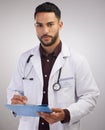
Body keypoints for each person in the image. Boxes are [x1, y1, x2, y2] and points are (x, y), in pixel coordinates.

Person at [7, 2, 100, 130]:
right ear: (35, 26)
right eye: (40, 25)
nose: (45, 31)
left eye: (50, 24)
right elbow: (13, 90)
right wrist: (15, 101)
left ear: (60, 25)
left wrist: (66, 114)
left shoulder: (77, 60)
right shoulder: (25, 59)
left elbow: (90, 96)